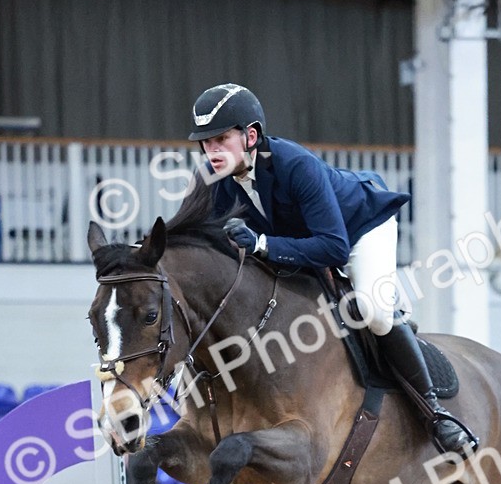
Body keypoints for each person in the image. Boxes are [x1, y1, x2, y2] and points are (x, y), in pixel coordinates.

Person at [188, 83, 476, 456]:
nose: (212, 151)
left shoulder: (295, 164)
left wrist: (262, 244)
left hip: (358, 229)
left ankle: (435, 413)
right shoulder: (214, 180)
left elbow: (334, 247)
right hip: (301, 241)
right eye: (206, 142)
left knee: (372, 311)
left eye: (221, 139)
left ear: (251, 136)